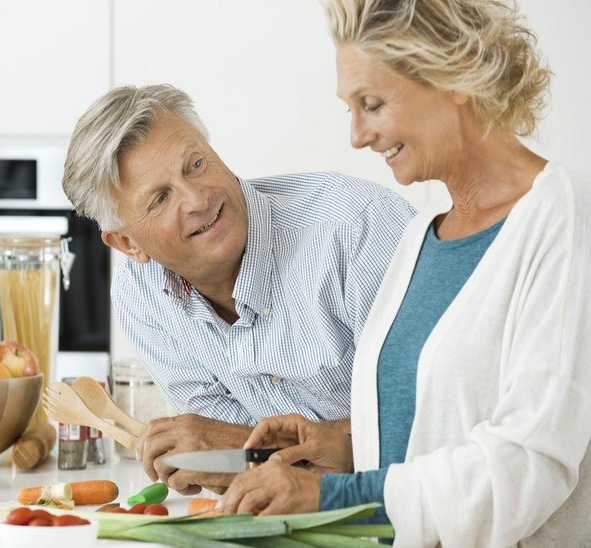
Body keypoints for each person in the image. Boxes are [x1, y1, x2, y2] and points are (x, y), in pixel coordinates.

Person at [219, 0, 591, 545]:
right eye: (351, 108)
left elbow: (528, 462)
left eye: (371, 104)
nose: (357, 135)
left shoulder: (565, 221)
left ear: (454, 76)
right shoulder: (422, 235)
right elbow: (435, 435)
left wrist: (332, 497)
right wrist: (347, 450)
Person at [61, 84, 414, 493]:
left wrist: (232, 444)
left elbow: (434, 424)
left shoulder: (358, 230)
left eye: (195, 164)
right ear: (128, 244)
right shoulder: (141, 297)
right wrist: (213, 456)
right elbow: (235, 470)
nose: (197, 198)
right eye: (159, 198)